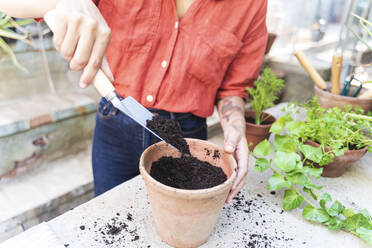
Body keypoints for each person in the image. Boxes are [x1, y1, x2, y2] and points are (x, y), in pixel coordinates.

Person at [0, 0, 268, 203]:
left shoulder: (251, 5)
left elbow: (233, 87)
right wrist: (59, 2)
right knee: (111, 211)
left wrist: (235, 128)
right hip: (117, 119)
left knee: (175, 218)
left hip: (183, 135)